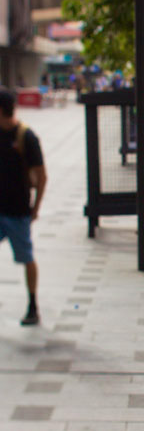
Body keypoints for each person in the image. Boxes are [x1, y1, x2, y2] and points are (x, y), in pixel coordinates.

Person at [0, 87, 47, 326]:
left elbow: (42, 175)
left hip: (18, 211)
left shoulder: (26, 137)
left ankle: (32, 305)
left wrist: (35, 208)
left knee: (27, 257)